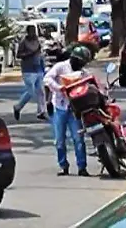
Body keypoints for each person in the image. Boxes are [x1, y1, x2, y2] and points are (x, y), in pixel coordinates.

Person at [44, 45, 91, 176]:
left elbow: (90, 84)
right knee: (59, 139)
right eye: (80, 62)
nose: (81, 65)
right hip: (60, 106)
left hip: (75, 110)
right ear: (74, 59)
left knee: (78, 138)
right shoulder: (60, 67)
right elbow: (47, 78)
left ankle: (82, 167)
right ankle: (63, 165)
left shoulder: (83, 73)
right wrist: (59, 88)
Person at [13, 25, 47, 121]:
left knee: (41, 92)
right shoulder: (23, 42)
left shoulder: (37, 41)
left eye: (34, 31)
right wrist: (29, 54)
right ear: (28, 32)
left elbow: (40, 54)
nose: (33, 33)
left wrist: (43, 67)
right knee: (30, 92)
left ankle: (41, 112)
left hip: (38, 69)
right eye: (31, 31)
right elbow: (18, 55)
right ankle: (17, 107)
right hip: (28, 70)